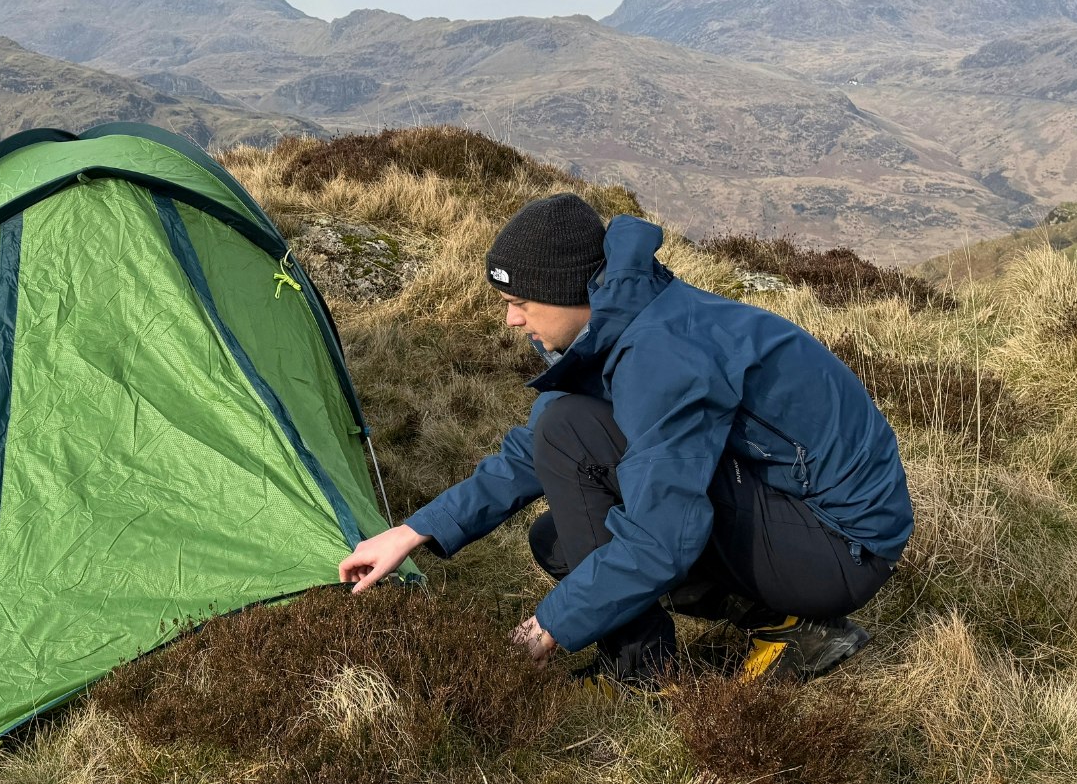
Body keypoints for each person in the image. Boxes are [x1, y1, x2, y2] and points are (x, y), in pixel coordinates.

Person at [339, 195, 913, 685]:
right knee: (560, 536)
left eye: (519, 303)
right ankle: (791, 628)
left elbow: (664, 538)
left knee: (573, 437)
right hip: (796, 513)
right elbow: (530, 451)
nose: (510, 322)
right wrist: (414, 531)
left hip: (842, 545)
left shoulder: (659, 354)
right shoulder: (624, 317)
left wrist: (549, 626)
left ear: (568, 293)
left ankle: (640, 674)